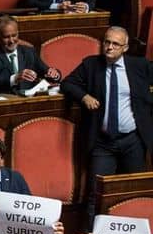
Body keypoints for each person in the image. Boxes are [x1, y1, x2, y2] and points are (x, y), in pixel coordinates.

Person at [60, 26, 153, 216]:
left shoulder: (139, 66)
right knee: (96, 194)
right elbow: (67, 83)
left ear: (125, 48)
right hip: (103, 143)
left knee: (134, 193)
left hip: (133, 141)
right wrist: (84, 96)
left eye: (115, 44)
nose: (109, 47)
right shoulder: (91, 65)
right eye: (107, 42)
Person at [0, 15, 61, 94]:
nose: (11, 40)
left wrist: (55, 74)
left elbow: (47, 72)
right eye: (6, 37)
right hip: (4, 102)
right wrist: (15, 78)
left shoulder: (29, 52)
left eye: (14, 35)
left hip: (29, 100)